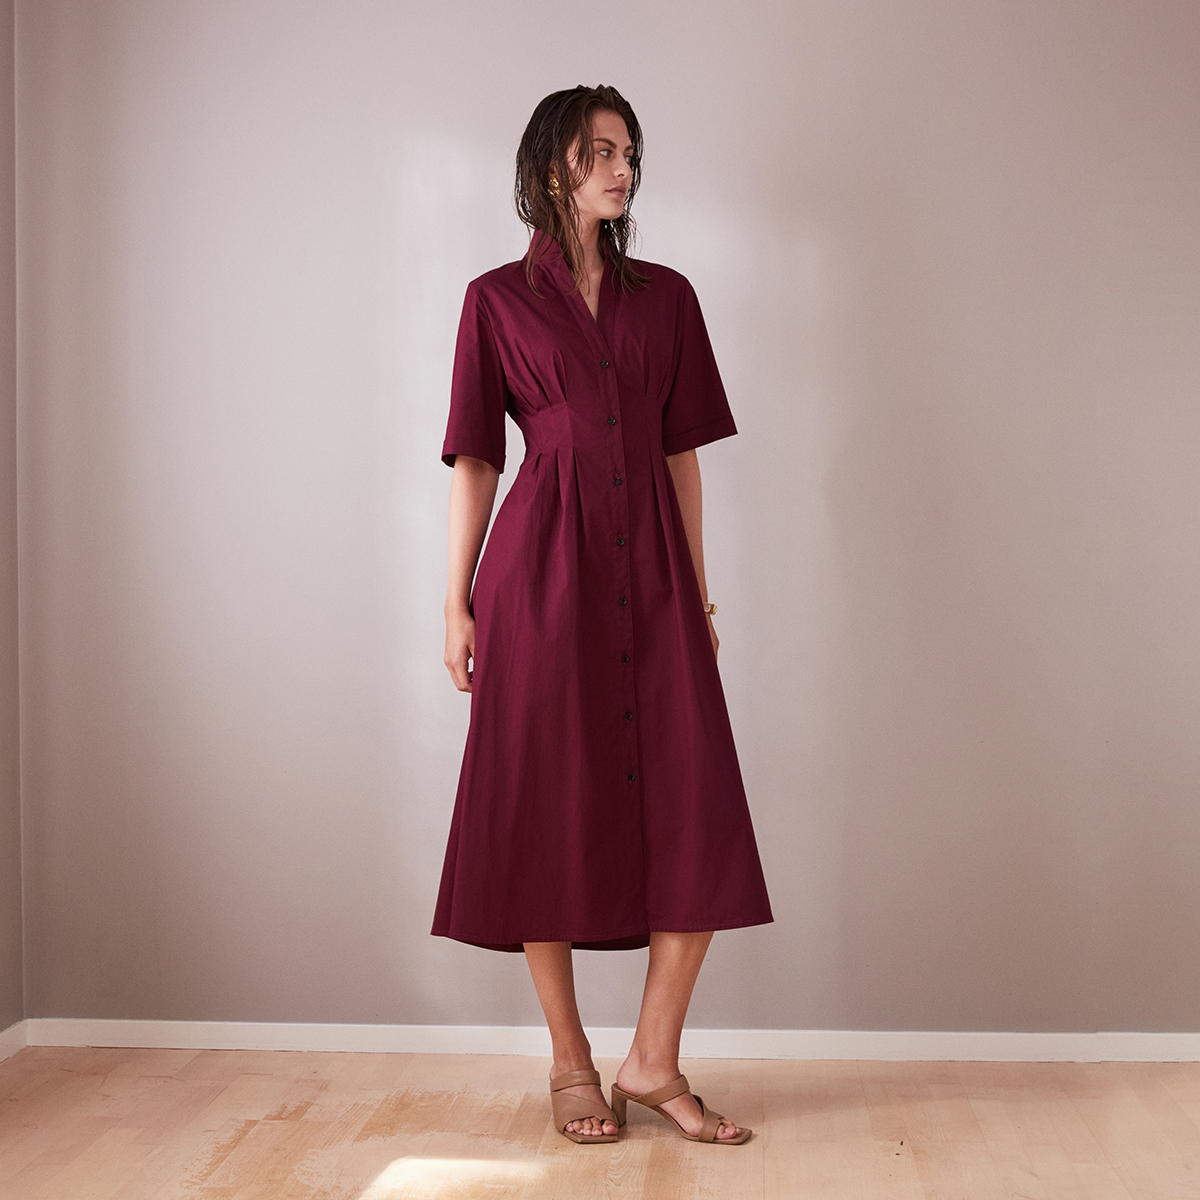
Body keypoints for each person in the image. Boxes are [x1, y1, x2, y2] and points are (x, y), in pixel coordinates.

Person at [435, 85, 772, 1146]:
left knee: (699, 809)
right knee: (542, 804)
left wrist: (699, 594)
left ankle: (653, 1058)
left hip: (656, 574)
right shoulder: (494, 300)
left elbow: (682, 456)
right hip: (539, 574)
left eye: (629, 152)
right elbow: (478, 459)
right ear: (554, 168)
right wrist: (455, 601)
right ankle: (570, 1061)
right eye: (601, 152)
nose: (623, 170)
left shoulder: (667, 298)